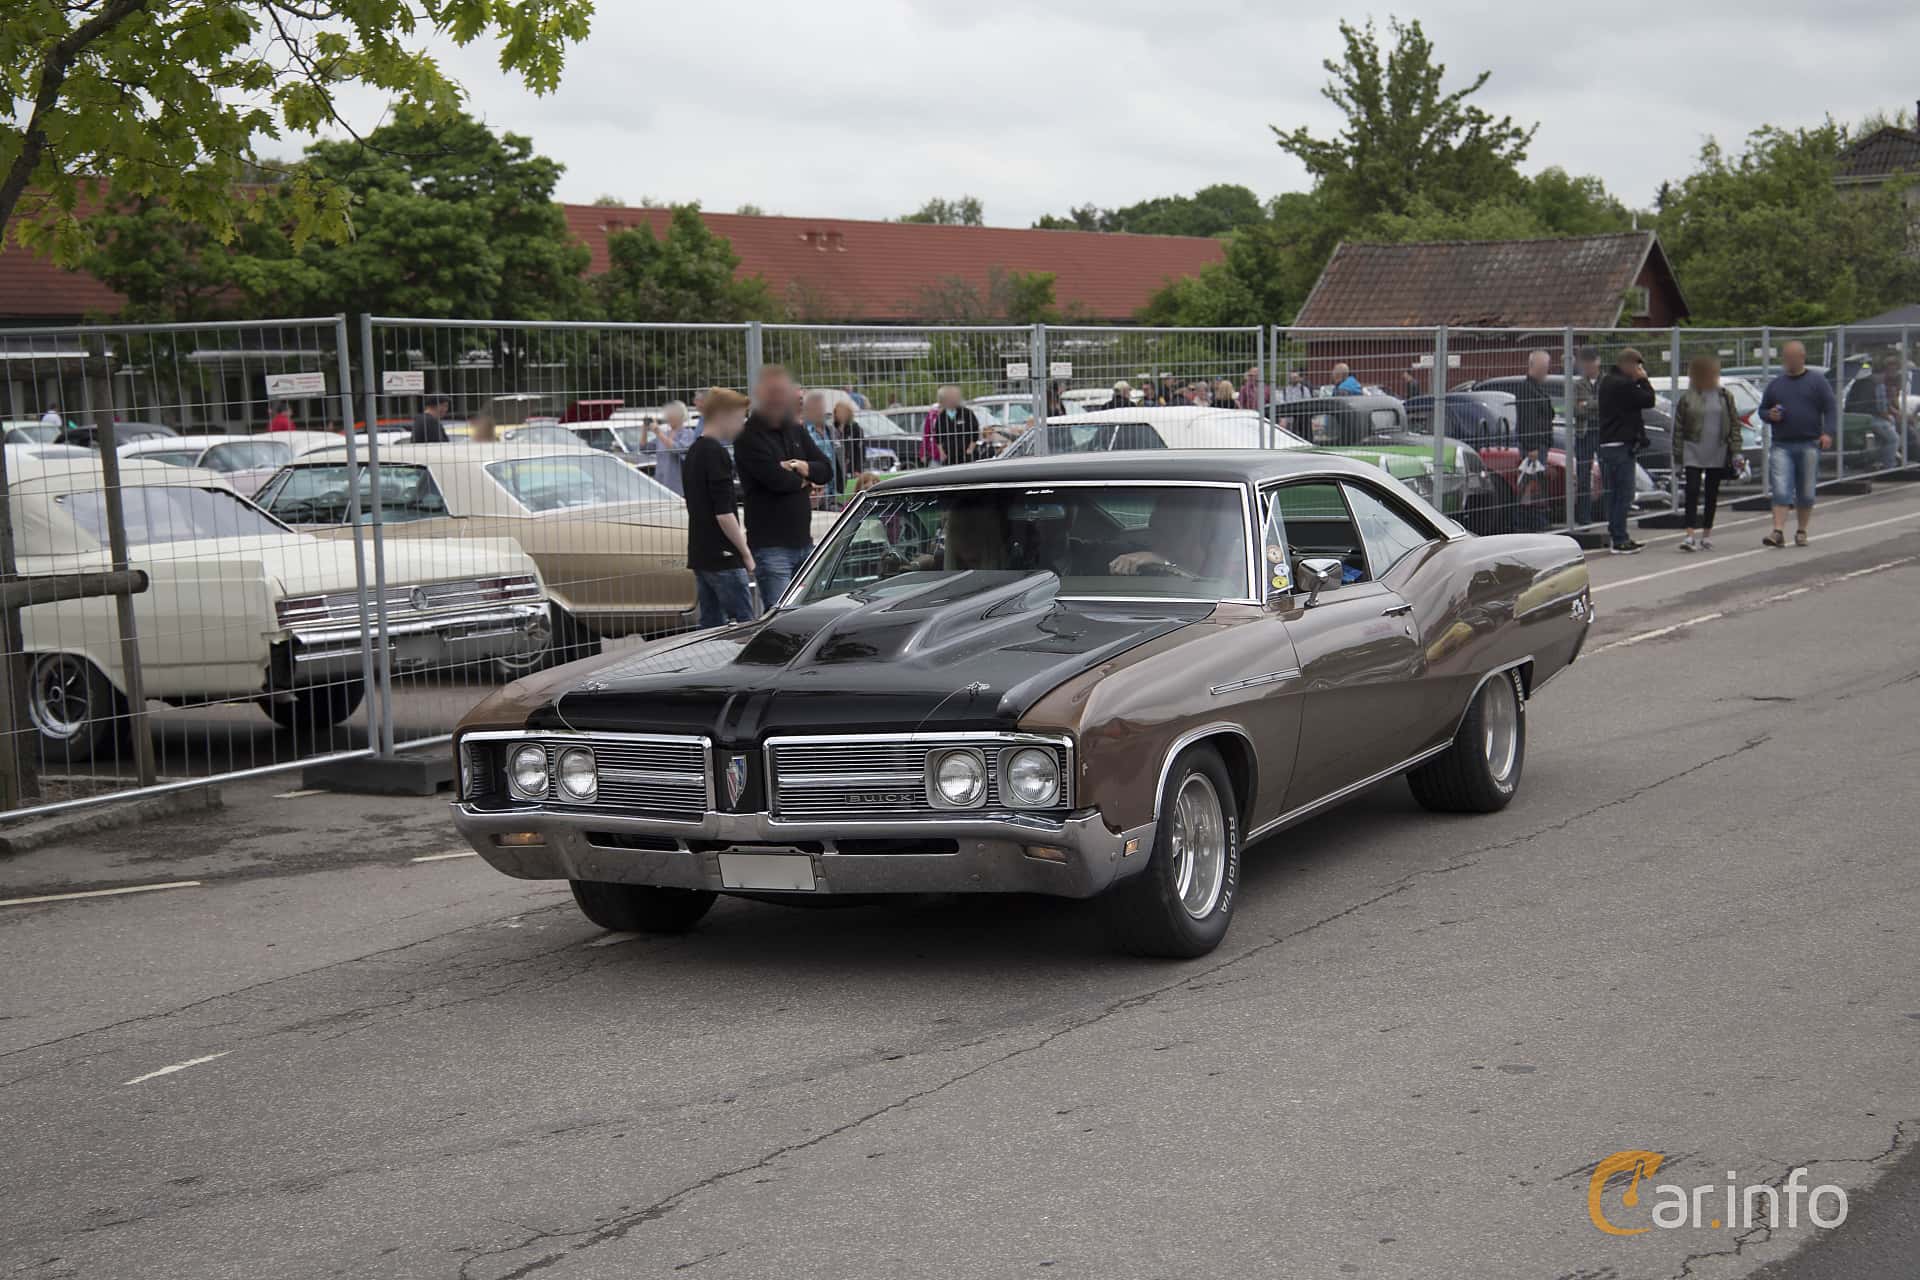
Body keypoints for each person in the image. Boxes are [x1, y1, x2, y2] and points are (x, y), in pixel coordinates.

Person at [737, 365, 833, 608]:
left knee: (809, 613)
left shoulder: (795, 430)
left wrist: (800, 466)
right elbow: (775, 480)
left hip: (803, 543)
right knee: (781, 616)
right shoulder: (748, 436)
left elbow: (826, 469)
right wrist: (806, 478)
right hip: (771, 549)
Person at [682, 387, 757, 626]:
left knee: (711, 625)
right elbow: (724, 513)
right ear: (724, 416)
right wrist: (746, 554)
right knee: (745, 625)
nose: (742, 425)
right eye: (739, 418)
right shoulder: (716, 454)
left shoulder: (694, 451)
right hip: (723, 556)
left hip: (701, 553)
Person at [1758, 340, 1836, 547]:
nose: (1789, 361)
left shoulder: (1817, 381)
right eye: (1786, 357)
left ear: (1802, 357)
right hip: (1781, 444)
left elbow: (1830, 408)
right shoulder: (1776, 384)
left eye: (1792, 357)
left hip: (1809, 443)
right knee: (1781, 488)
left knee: (1806, 491)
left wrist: (1828, 433)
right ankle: (1777, 531)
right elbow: (1762, 410)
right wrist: (1769, 415)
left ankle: (1801, 530)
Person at [1672, 355, 1741, 552]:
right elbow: (1678, 429)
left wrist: (1736, 451)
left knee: (1712, 493)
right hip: (1693, 449)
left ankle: (1707, 534)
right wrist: (1678, 458)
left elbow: (1734, 424)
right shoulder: (1688, 398)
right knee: (1692, 490)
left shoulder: (1725, 396)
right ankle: (1689, 535)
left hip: (1717, 450)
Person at [1596, 349, 1655, 554]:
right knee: (1624, 494)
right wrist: (1643, 380)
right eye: (1638, 366)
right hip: (1620, 446)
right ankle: (1620, 538)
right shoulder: (1624, 384)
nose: (1639, 370)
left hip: (1607, 444)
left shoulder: (1607, 381)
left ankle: (1617, 535)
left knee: (1614, 494)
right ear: (1629, 364)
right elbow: (1648, 400)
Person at [1513, 350, 1557, 531]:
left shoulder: (1537, 388)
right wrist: (1531, 446)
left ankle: (1534, 521)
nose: (1546, 371)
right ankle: (1529, 523)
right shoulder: (1527, 389)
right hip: (1534, 445)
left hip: (1540, 444)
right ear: (1534, 366)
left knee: (1534, 483)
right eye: (1544, 367)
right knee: (1531, 484)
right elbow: (1528, 419)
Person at [1571, 346, 1602, 526]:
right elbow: (1575, 409)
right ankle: (1583, 517)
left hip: (1604, 433)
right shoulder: (1578, 385)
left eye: (1591, 362)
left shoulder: (1606, 382)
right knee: (1583, 476)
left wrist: (1587, 404)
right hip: (1584, 434)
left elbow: (1609, 405)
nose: (1588, 366)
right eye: (1585, 362)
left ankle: (1606, 514)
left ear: (1598, 362)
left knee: (1607, 473)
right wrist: (1596, 405)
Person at [644, 401, 697, 496]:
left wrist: (658, 432)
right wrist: (644, 430)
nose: (668, 417)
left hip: (678, 487)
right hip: (661, 484)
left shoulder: (688, 433)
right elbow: (644, 448)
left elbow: (676, 449)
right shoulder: (664, 434)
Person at [928, 386, 979, 467]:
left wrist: (970, 449)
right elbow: (938, 436)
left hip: (966, 455)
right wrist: (942, 453)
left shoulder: (967, 413)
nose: (951, 400)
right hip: (949, 456)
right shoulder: (941, 416)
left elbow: (975, 431)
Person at [830, 398, 866, 484]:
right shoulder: (831, 428)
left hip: (851, 467)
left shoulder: (855, 428)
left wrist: (857, 469)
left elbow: (860, 450)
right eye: (839, 412)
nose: (841, 414)